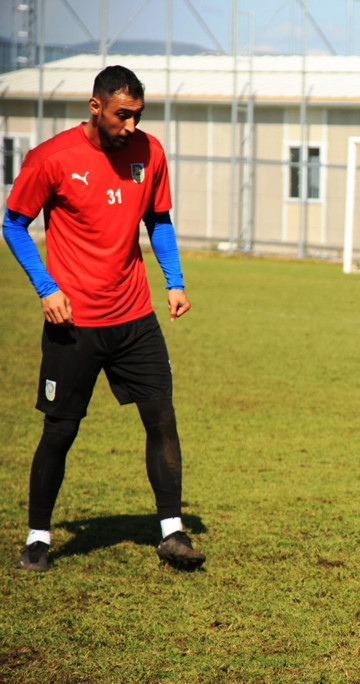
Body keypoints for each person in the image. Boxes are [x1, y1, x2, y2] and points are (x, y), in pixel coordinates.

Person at [3, 65, 205, 571]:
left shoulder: (149, 152)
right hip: (74, 324)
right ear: (96, 107)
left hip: (135, 316)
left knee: (161, 416)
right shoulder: (52, 159)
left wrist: (174, 280)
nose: (131, 126)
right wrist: (46, 289)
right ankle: (38, 538)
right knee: (61, 431)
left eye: (138, 115)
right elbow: (13, 224)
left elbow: (158, 220)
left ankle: (172, 533)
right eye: (122, 115)